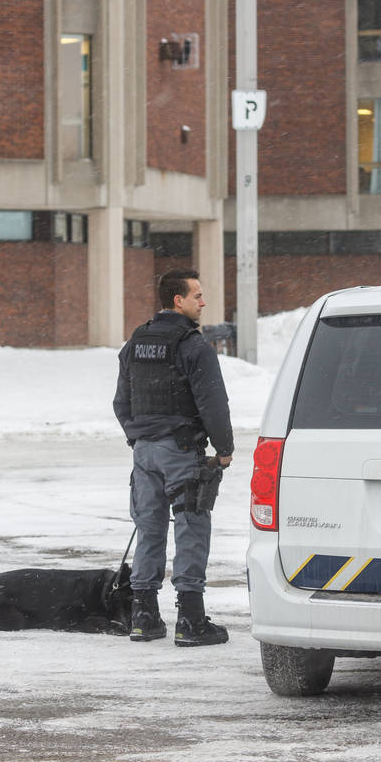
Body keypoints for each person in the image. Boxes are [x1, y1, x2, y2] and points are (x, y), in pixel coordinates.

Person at [113, 269, 233, 647]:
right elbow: (213, 403)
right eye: (197, 295)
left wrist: (138, 435)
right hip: (181, 449)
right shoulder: (193, 346)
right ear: (177, 301)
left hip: (144, 451)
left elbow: (121, 401)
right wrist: (224, 449)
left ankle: (144, 617)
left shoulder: (137, 341)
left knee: (149, 527)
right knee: (191, 526)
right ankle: (191, 620)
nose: (203, 301)